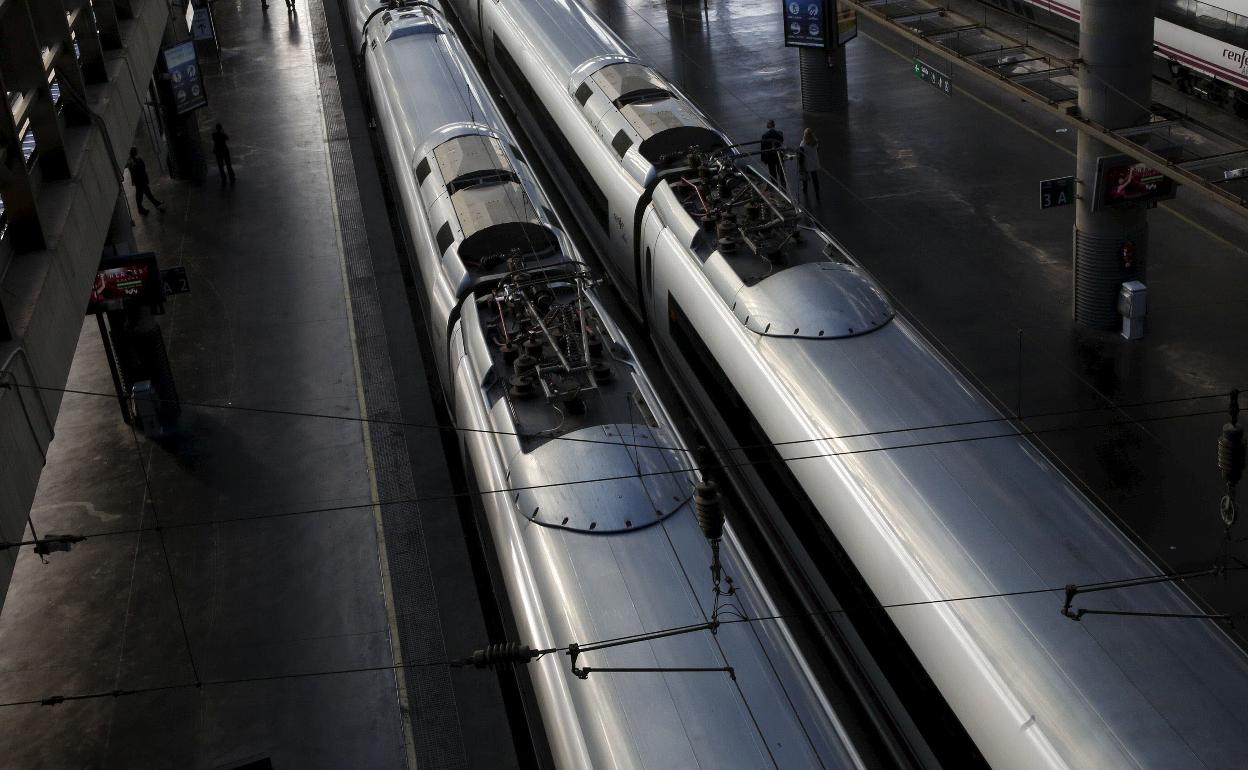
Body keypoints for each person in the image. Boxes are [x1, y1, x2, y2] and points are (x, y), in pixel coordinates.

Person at [126, 147, 163, 215]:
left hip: (139, 181)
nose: (137, 152)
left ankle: (144, 207)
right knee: (144, 194)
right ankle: (153, 204)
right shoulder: (135, 161)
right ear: (134, 152)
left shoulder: (132, 161)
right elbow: (140, 170)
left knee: (141, 194)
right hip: (140, 181)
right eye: (136, 151)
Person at [796, 127, 821, 203]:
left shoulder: (803, 144)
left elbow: (801, 155)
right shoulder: (815, 142)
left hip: (807, 163)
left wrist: (799, 162)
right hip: (814, 162)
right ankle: (817, 192)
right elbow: (817, 149)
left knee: (805, 176)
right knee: (815, 178)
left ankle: (805, 188)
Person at [760, 120, 786, 186]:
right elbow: (781, 142)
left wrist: (763, 159)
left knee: (772, 174)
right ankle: (784, 188)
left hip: (770, 157)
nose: (766, 124)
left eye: (767, 123)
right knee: (781, 174)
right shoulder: (780, 133)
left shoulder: (764, 135)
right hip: (779, 156)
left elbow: (763, 148)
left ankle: (775, 188)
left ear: (769, 125)